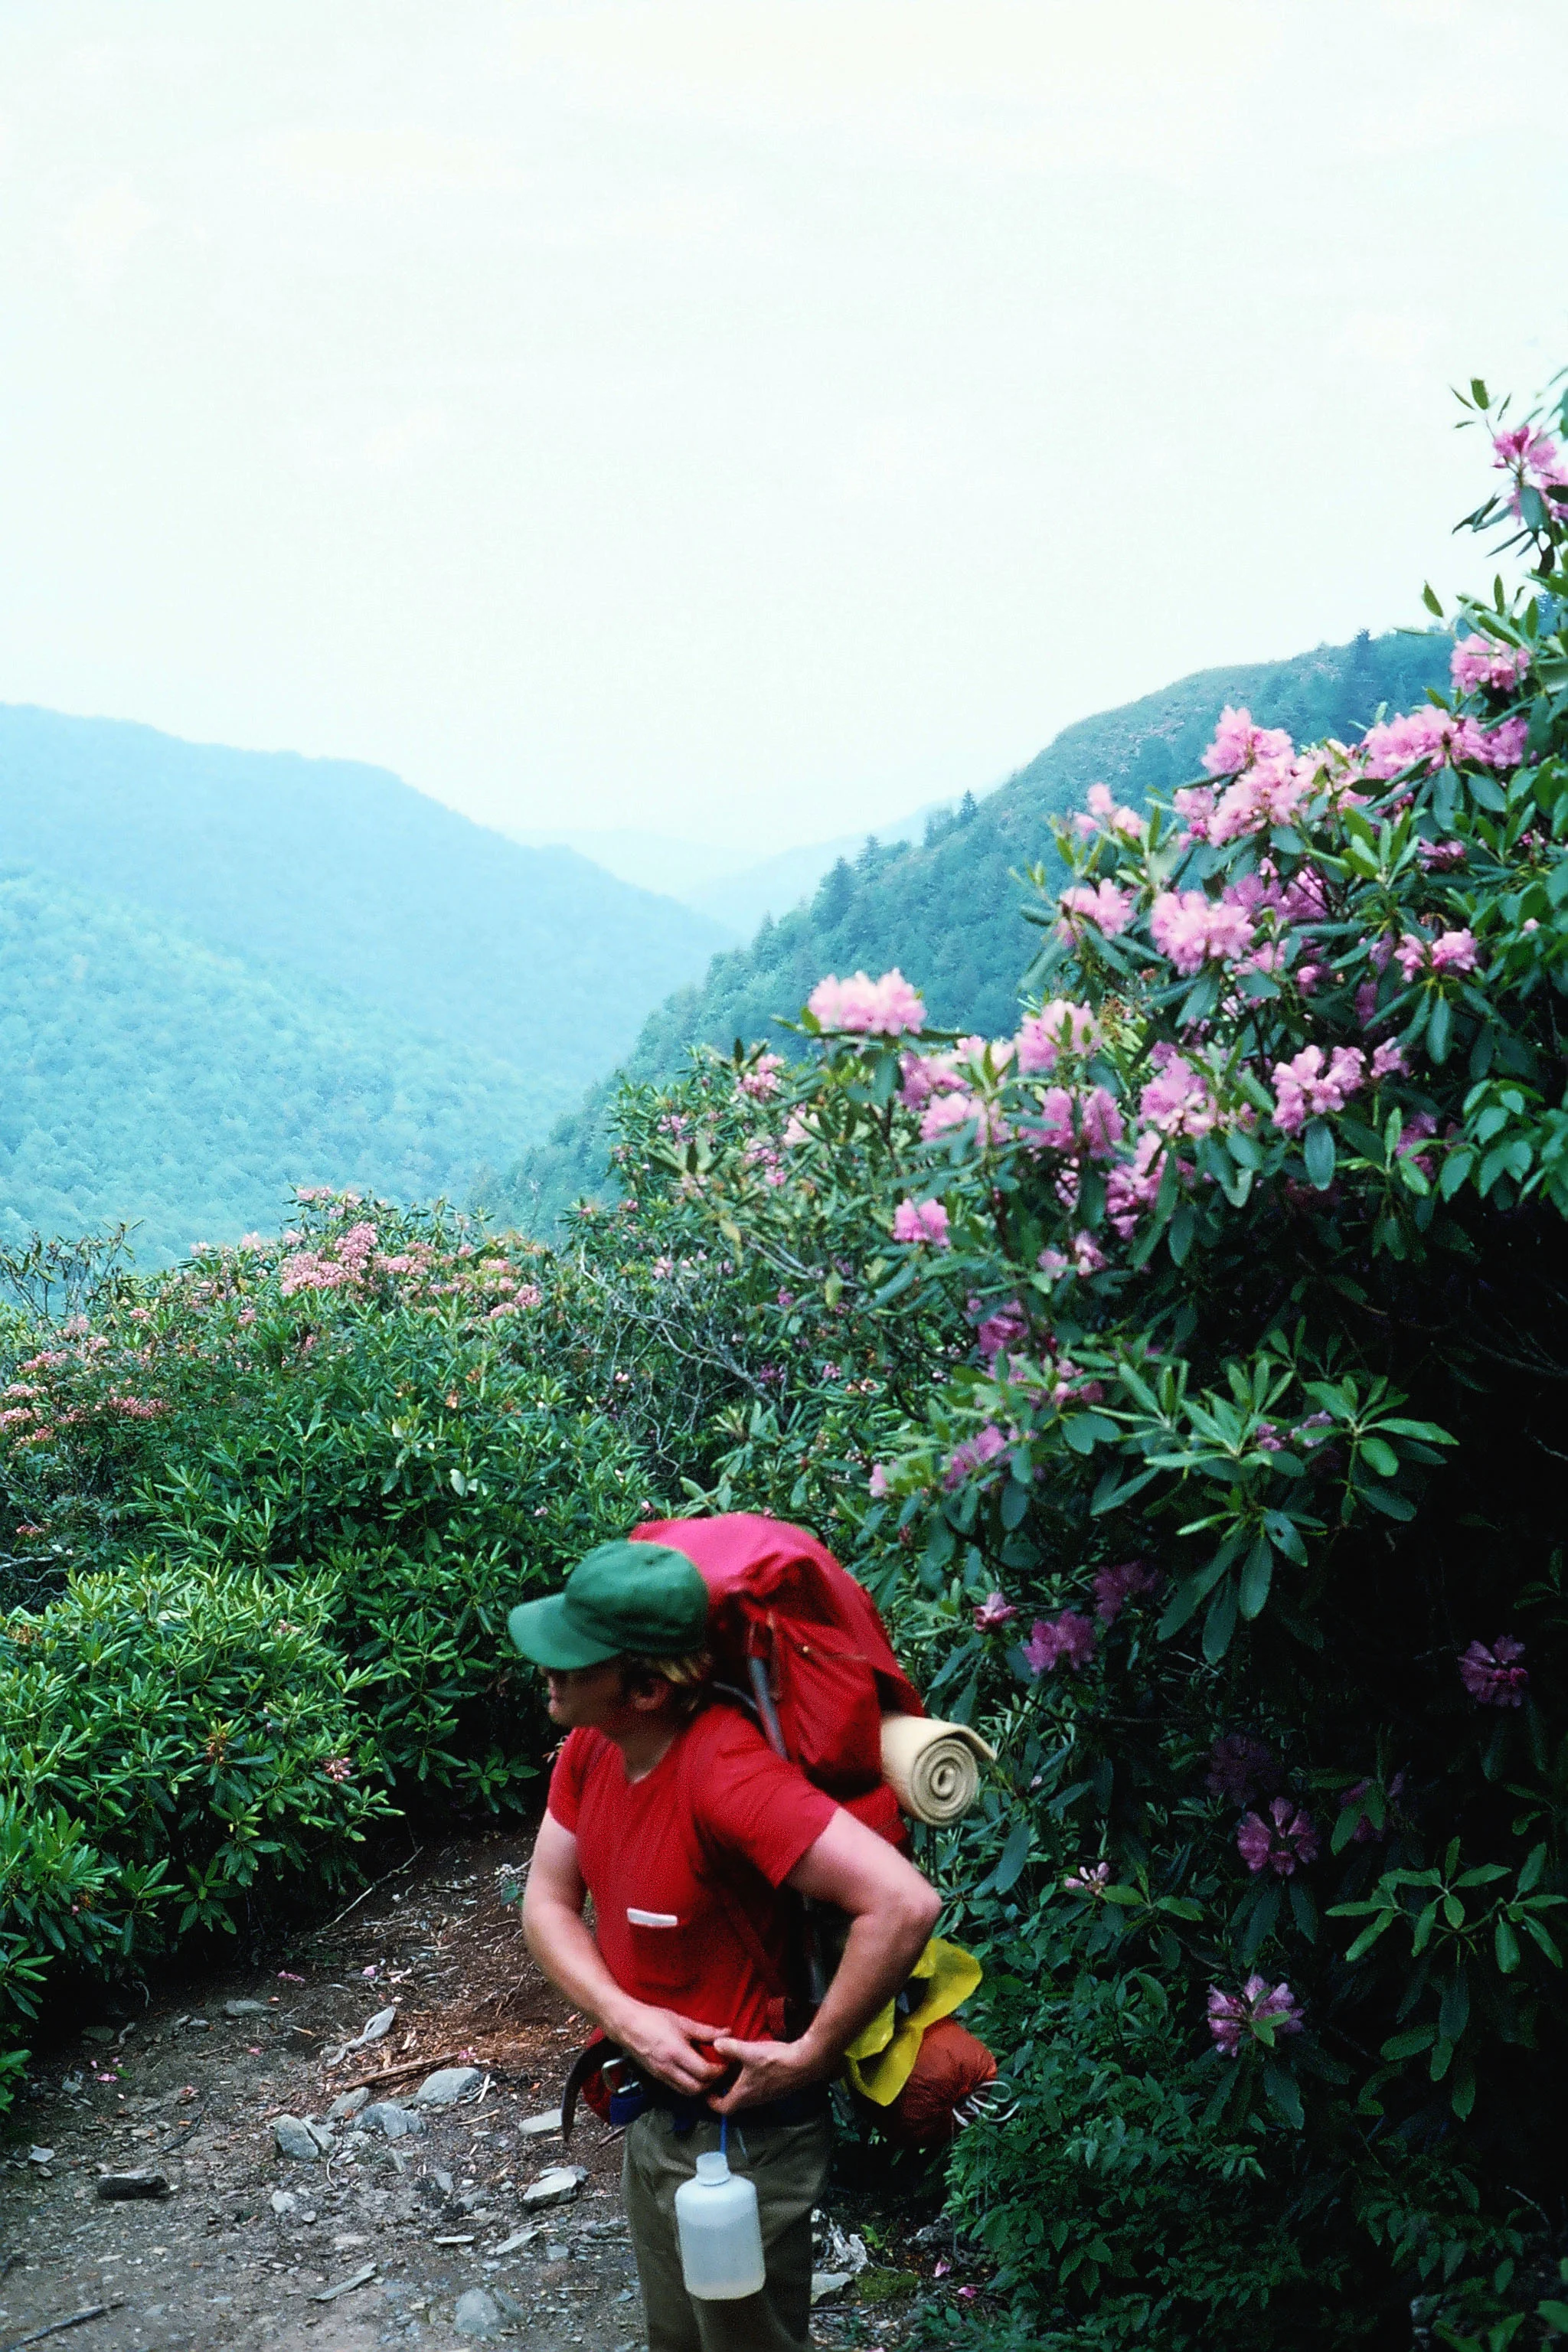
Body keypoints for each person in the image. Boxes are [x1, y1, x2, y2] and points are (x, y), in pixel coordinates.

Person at [513, 1538, 941, 2352]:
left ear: (644, 1685)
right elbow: (547, 1899)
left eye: (575, 1658)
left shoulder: (726, 1775)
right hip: (655, 2118)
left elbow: (902, 1902)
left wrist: (815, 2052)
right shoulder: (592, 1749)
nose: (550, 1670)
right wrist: (624, 2016)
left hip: (748, 2140)